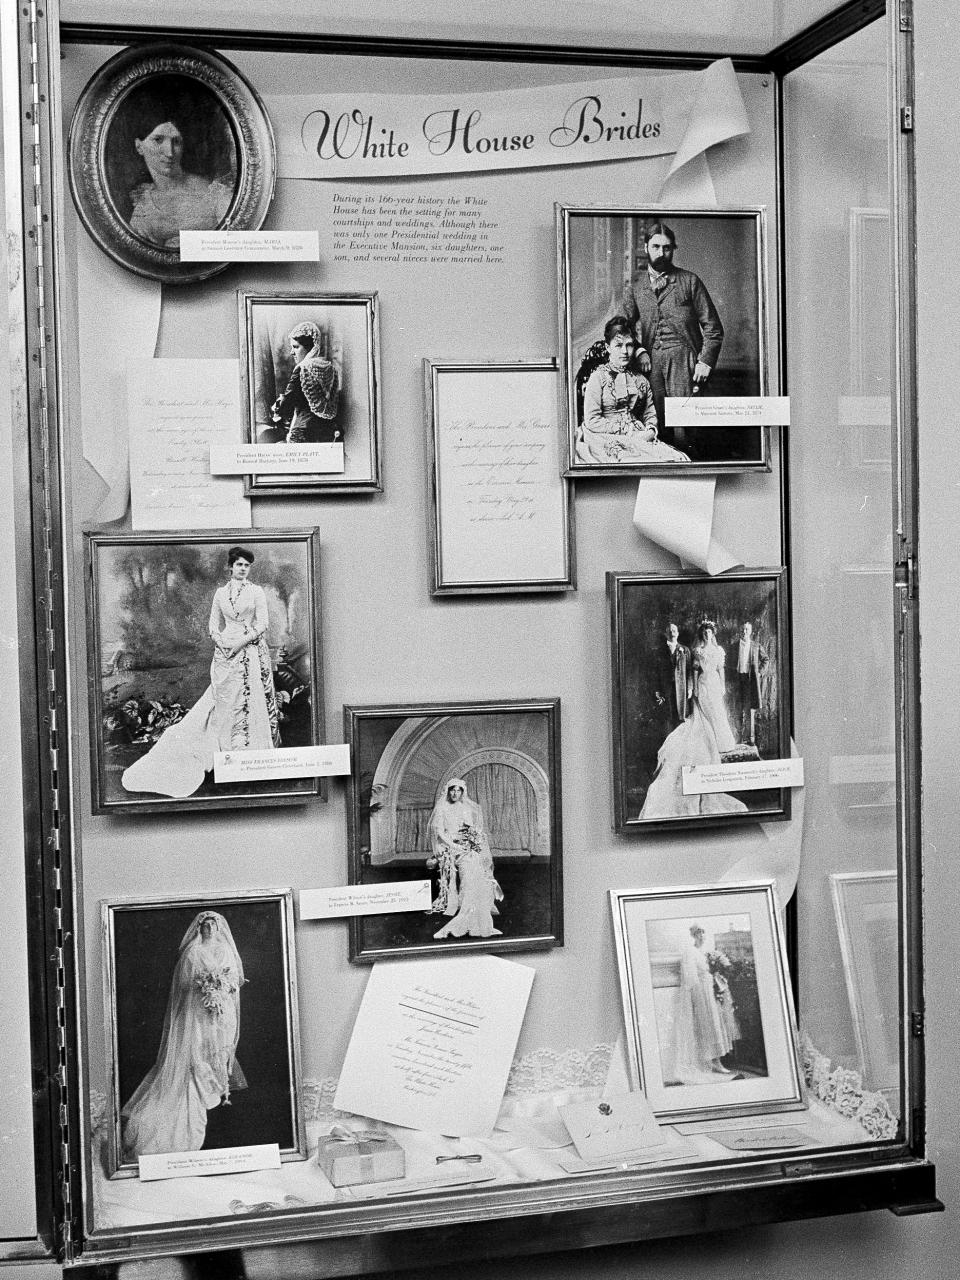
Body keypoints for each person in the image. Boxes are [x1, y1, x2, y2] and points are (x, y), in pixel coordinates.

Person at [121, 546, 281, 799]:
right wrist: (221, 641)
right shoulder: (220, 593)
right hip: (223, 652)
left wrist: (239, 643)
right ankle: (224, 745)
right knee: (223, 699)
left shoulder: (255, 592)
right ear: (231, 567)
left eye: (246, 565)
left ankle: (244, 750)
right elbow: (212, 624)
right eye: (239, 564)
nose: (242, 569)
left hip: (247, 649)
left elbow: (262, 624)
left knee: (247, 697)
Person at [121, 911, 247, 1159]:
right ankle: (193, 1101)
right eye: (205, 925)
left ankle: (215, 1095)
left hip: (222, 1012)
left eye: (212, 925)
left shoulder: (226, 951)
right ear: (199, 929)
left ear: (219, 928)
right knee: (195, 1055)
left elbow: (235, 981)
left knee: (218, 1054)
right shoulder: (192, 953)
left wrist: (220, 987)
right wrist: (205, 986)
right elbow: (183, 986)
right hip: (197, 1013)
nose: (209, 929)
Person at [621, 222, 724, 441]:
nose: (661, 253)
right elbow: (622, 328)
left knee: (689, 429)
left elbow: (713, 328)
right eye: (656, 246)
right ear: (646, 247)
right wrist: (638, 351)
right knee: (658, 426)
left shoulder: (689, 281)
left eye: (666, 248)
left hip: (685, 362)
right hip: (651, 363)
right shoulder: (636, 287)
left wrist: (705, 361)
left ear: (673, 249)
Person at [638, 621, 747, 820]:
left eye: (709, 633)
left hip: (714, 683)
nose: (707, 635)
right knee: (704, 714)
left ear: (712, 634)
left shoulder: (719, 650)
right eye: (704, 633)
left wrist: (722, 685)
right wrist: (695, 688)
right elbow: (695, 671)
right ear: (702, 634)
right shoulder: (696, 651)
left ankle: (722, 741)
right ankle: (708, 739)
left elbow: (721, 669)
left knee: (718, 713)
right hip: (703, 684)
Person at [579, 316, 691, 464]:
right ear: (608, 348)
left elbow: (650, 415)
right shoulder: (597, 378)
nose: (625, 351)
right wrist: (627, 431)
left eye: (629, 345)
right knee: (627, 460)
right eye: (618, 345)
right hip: (604, 435)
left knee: (677, 459)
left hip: (639, 435)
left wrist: (650, 431)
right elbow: (592, 421)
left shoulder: (641, 381)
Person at [127, 114, 233, 250]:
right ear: (139, 146)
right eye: (158, 140)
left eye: (176, 142)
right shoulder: (143, 207)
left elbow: (234, 243)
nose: (170, 153)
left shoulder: (213, 192)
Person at [427, 778, 503, 940]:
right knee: (469, 871)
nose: (455, 793)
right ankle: (466, 913)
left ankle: (477, 912)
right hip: (451, 847)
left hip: (466, 846)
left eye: (458, 790)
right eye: (452, 790)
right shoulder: (442, 808)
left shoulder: (465, 807)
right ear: (448, 792)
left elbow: (469, 828)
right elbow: (440, 833)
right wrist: (456, 846)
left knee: (479, 871)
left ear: (462, 792)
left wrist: (472, 841)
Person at [669, 924, 734, 1083]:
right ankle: (711, 1061)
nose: (701, 937)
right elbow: (690, 976)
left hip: (710, 990)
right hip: (701, 993)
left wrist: (717, 978)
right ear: (693, 936)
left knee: (716, 1024)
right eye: (698, 934)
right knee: (707, 1025)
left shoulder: (705, 953)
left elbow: (711, 971)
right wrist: (698, 996)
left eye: (703, 934)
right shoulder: (690, 952)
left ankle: (716, 1061)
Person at [270, 322, 341, 444]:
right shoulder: (331, 369)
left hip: (303, 433)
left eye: (296, 347)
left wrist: (278, 406)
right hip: (327, 434)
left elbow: (286, 405)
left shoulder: (303, 369)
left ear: (309, 348)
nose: (292, 352)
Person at [731, 621, 768, 745]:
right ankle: (738, 738)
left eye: (747, 629)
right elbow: (728, 665)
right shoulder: (734, 646)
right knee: (737, 710)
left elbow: (765, 660)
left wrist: (759, 672)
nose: (744, 632)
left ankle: (749, 739)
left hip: (750, 681)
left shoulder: (756, 646)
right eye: (742, 629)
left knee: (748, 711)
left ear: (751, 631)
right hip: (737, 680)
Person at [654, 622, 692, 727]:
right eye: (669, 631)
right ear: (666, 634)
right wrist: (657, 689)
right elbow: (656, 672)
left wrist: (689, 687)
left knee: (682, 714)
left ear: (678, 633)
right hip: (666, 687)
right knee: (668, 715)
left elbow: (689, 670)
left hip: (681, 688)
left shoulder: (685, 650)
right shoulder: (660, 651)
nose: (672, 633)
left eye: (674, 631)